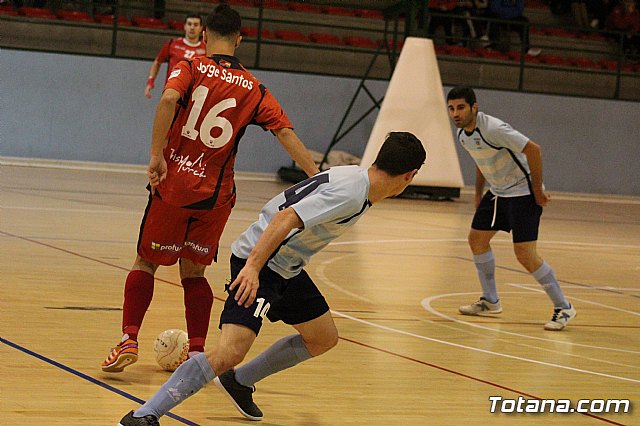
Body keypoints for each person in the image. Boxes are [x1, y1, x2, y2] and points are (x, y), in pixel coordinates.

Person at [116, 132, 427, 425]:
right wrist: (252, 267)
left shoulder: (356, 178)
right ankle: (145, 414)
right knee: (229, 352)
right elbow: (285, 217)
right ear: (409, 176)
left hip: (286, 267)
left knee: (322, 338)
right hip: (262, 261)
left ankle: (239, 381)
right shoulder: (352, 192)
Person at [101, 4, 320, 373]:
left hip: (173, 188)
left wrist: (157, 156)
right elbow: (284, 131)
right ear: (240, 38)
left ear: (203, 36)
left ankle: (128, 338)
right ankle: (198, 350)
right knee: (195, 272)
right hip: (216, 197)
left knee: (146, 261)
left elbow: (169, 99)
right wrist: (316, 176)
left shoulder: (190, 67)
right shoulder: (254, 87)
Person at [446, 86, 576, 331]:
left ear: (474, 107)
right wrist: (477, 194)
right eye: (451, 108)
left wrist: (537, 191)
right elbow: (480, 160)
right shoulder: (464, 135)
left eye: (461, 107)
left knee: (525, 254)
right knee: (476, 240)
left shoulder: (494, 128)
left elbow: (533, 149)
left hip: (523, 194)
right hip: (497, 193)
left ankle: (564, 307)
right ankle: (490, 301)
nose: (455, 113)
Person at [144, 13, 206, 99]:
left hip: (194, 96)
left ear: (201, 28)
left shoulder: (206, 48)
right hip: (172, 92)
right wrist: (150, 81)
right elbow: (157, 62)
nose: (192, 27)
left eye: (195, 25)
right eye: (189, 24)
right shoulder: (172, 44)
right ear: (184, 26)